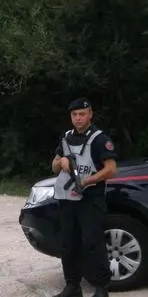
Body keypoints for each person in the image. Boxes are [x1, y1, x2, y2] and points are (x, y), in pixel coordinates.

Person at [51, 98, 117, 297]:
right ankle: (72, 286)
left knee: (92, 243)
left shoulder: (99, 139)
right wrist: (61, 160)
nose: (78, 118)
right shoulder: (66, 138)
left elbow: (111, 169)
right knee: (68, 244)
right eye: (74, 115)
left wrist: (88, 181)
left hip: (90, 199)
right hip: (66, 199)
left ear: (90, 114)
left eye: (82, 114)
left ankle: (101, 288)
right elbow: (54, 167)